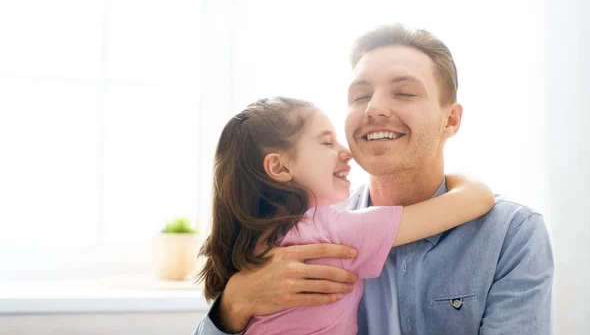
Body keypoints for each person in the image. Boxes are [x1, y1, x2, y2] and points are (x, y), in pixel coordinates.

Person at [193, 24, 554, 335]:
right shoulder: (305, 228)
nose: (374, 108)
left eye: (404, 92)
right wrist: (234, 304)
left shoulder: (511, 234)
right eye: (360, 95)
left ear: (451, 120)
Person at [198, 96, 494, 334]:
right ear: (279, 168)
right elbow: (477, 199)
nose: (346, 152)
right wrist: (457, 176)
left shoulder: (251, 246)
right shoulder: (332, 231)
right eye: (327, 142)